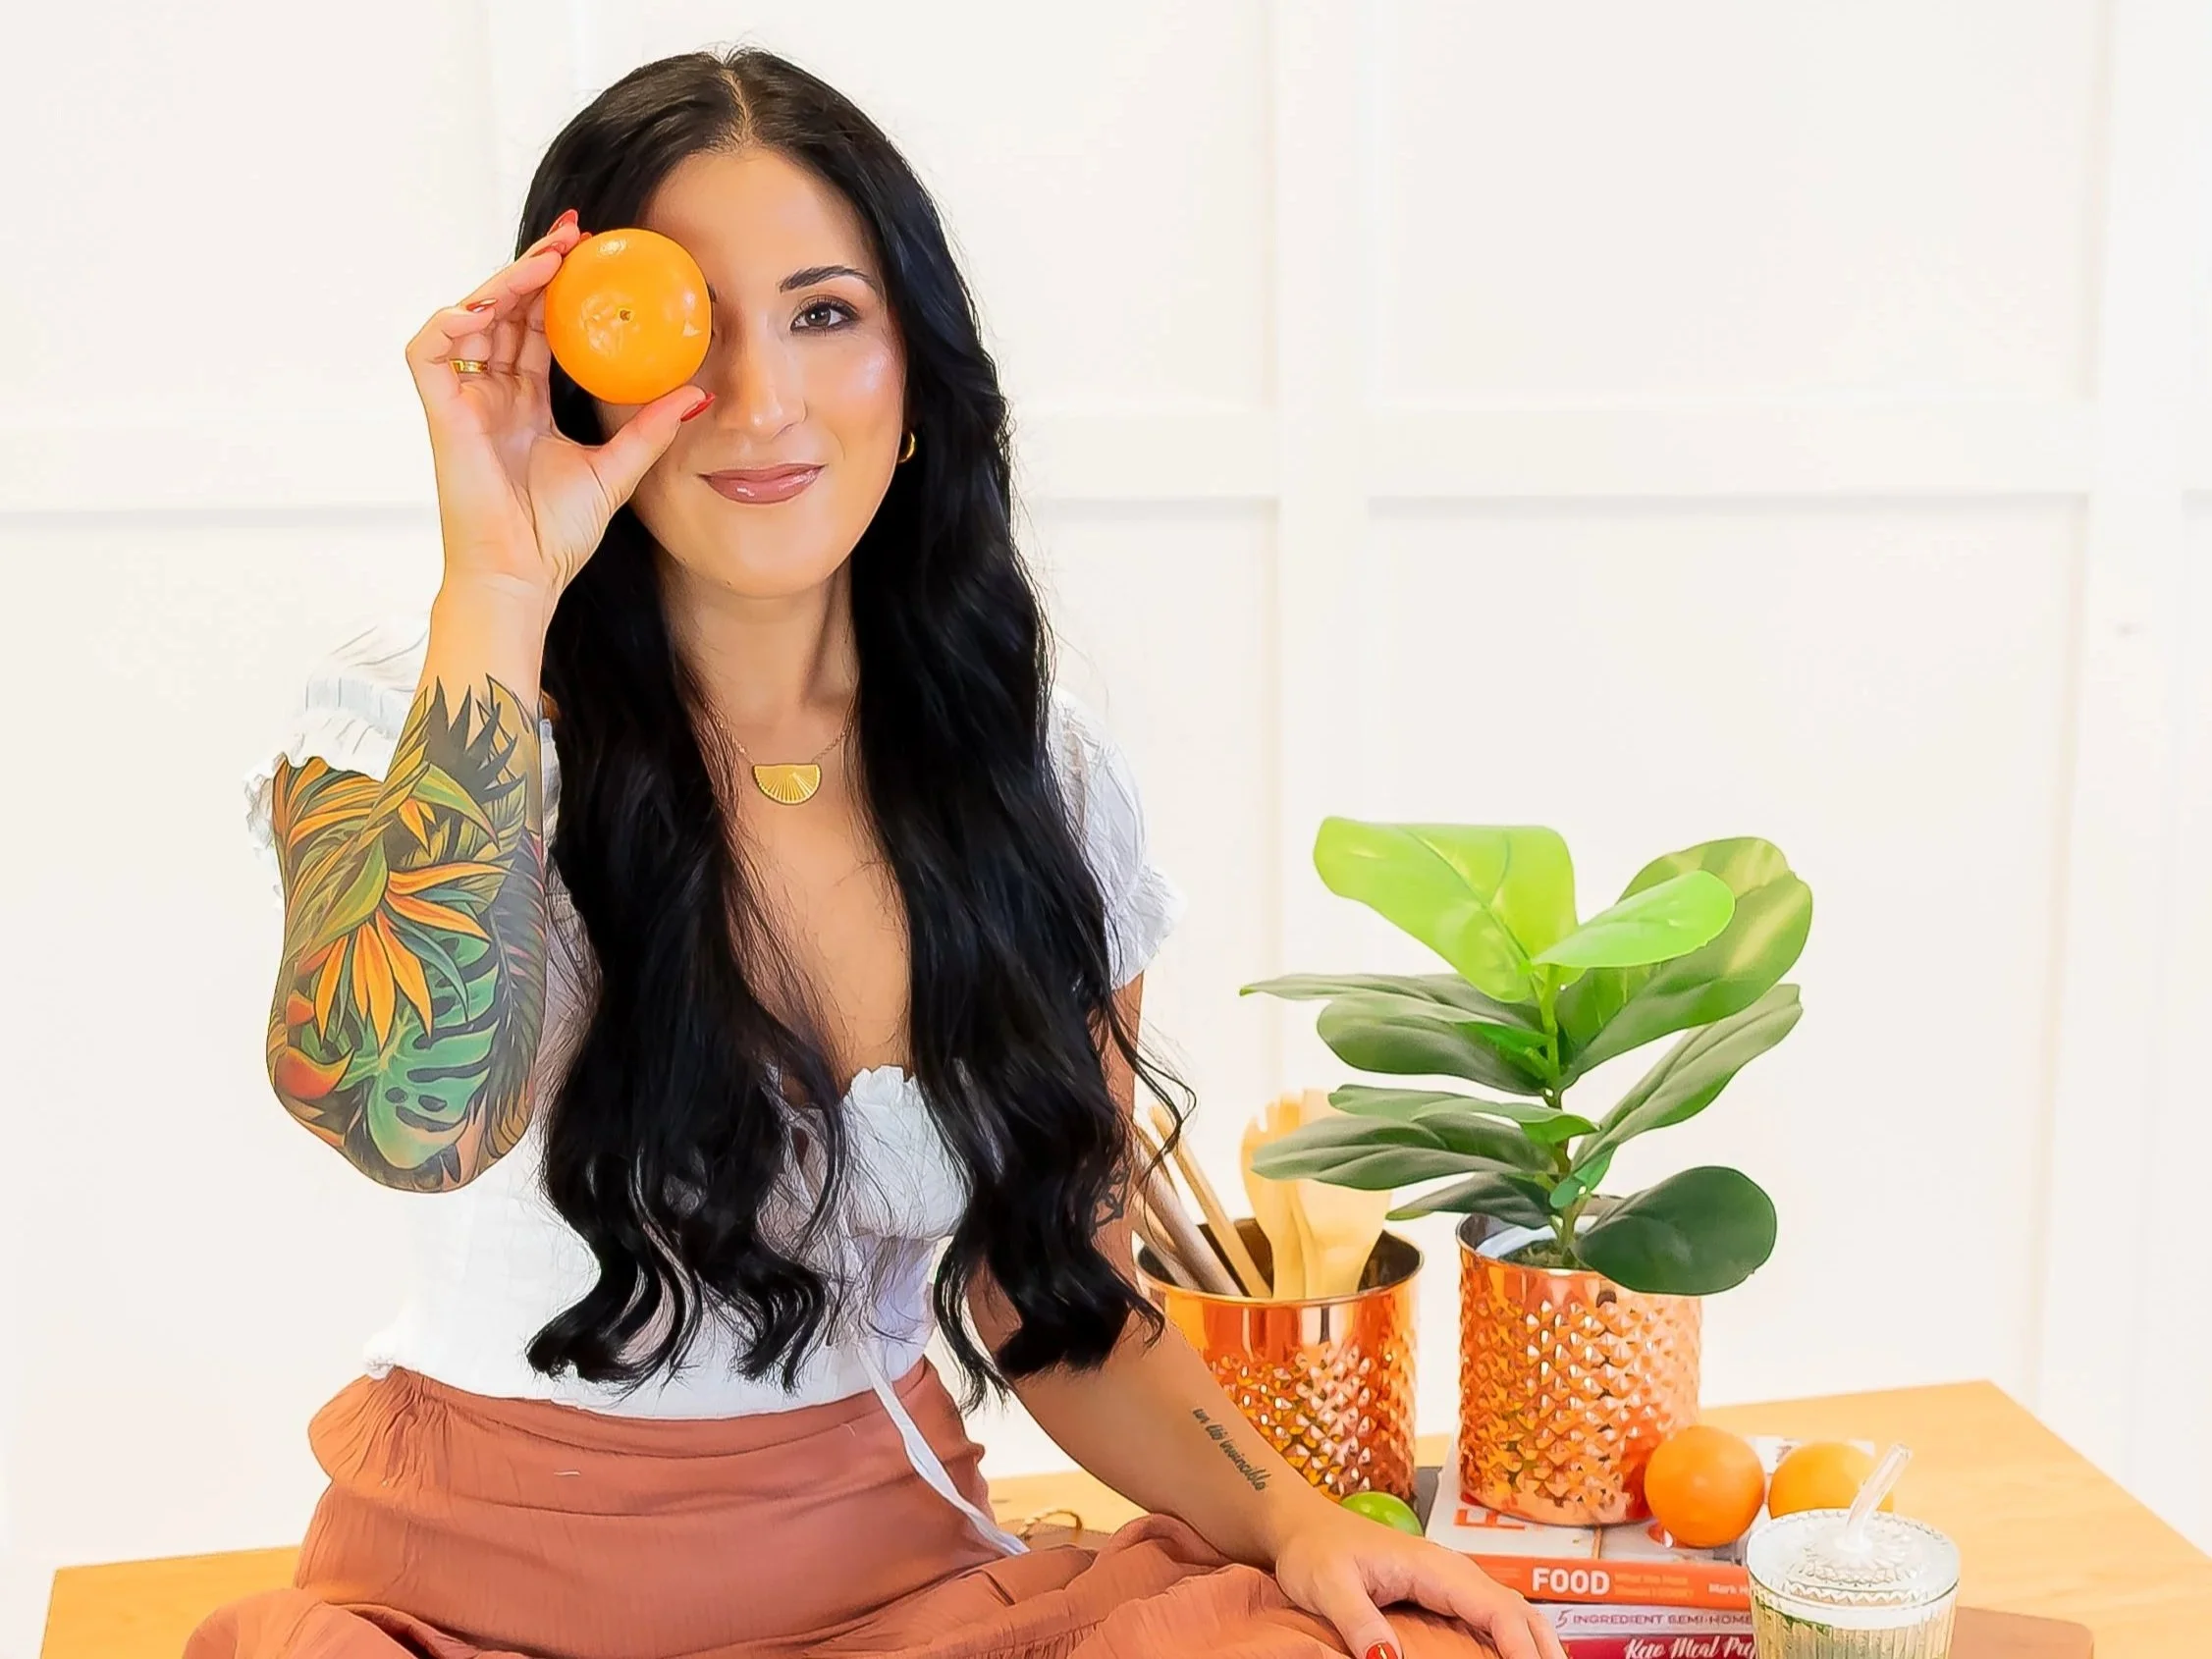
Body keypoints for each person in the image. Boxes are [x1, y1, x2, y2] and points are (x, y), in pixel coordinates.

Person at [190, 45, 1562, 1659]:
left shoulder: (1031, 777)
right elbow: (402, 1116)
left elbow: (1057, 1296)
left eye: (825, 313)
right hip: (467, 1603)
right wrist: (497, 584)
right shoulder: (431, 717)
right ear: (583, 368)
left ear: (917, 366)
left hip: (907, 1593)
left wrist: (1300, 1520)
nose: (762, 399)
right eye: (690, 324)